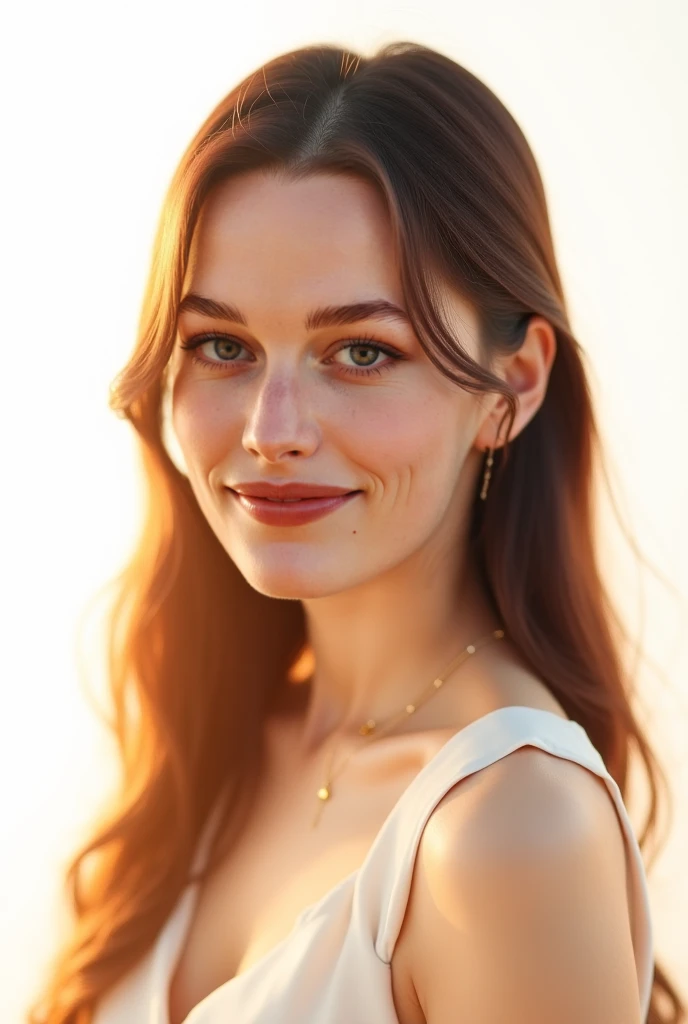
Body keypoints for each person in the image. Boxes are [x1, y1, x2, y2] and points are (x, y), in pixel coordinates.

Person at [29, 41, 684, 1024]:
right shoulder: (219, 741)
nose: (271, 429)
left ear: (512, 383)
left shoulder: (509, 830)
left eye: (362, 351)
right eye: (221, 345)